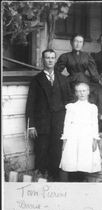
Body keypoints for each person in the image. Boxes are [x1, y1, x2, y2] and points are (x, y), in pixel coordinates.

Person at [26, 49, 73, 181]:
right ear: (43, 60)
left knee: (56, 152)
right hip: (42, 123)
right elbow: (30, 104)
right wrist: (31, 125)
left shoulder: (63, 79)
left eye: (52, 58)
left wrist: (69, 123)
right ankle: (40, 179)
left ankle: (55, 180)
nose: (50, 60)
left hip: (59, 122)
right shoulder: (36, 80)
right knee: (41, 151)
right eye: (47, 58)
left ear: (55, 60)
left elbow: (69, 101)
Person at [59, 82, 101, 182]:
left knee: (83, 159)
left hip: (86, 135)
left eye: (84, 91)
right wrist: (65, 139)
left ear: (88, 92)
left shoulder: (92, 107)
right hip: (73, 135)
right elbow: (67, 123)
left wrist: (95, 138)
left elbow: (94, 124)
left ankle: (81, 181)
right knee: (72, 159)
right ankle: (72, 182)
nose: (81, 93)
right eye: (79, 91)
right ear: (76, 93)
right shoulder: (71, 107)